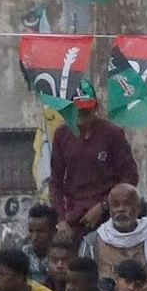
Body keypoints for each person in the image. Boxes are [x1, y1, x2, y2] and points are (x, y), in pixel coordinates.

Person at [49, 95, 139, 237]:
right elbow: (55, 181)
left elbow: (130, 177)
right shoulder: (61, 134)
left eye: (86, 110)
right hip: (74, 217)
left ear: (95, 107)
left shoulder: (113, 134)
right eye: (77, 110)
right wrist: (60, 219)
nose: (81, 115)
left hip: (110, 216)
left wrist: (103, 206)